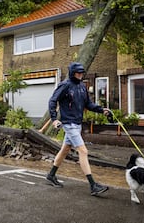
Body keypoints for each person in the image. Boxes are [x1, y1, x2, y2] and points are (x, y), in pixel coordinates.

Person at [46, 62, 110, 196]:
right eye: (78, 72)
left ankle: (51, 175)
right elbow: (52, 101)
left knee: (65, 150)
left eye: (82, 72)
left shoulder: (82, 86)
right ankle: (93, 185)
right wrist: (54, 119)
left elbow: (88, 104)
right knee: (83, 151)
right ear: (72, 73)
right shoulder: (65, 85)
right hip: (68, 124)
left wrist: (101, 110)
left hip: (77, 124)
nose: (80, 75)